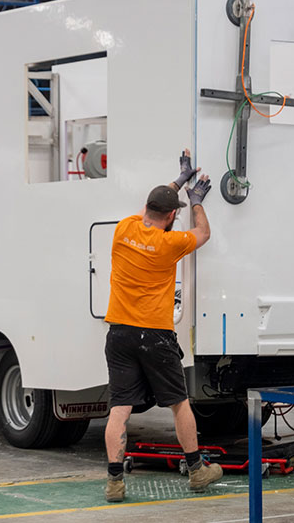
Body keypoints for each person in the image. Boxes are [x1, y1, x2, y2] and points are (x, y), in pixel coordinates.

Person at [102, 149, 222, 502]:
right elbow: (203, 233)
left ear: (147, 209)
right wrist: (196, 201)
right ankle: (197, 471)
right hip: (154, 335)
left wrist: (178, 181)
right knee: (179, 403)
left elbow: (151, 208)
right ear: (172, 216)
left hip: (119, 332)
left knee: (119, 408)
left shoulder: (123, 228)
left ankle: (114, 482)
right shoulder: (170, 243)